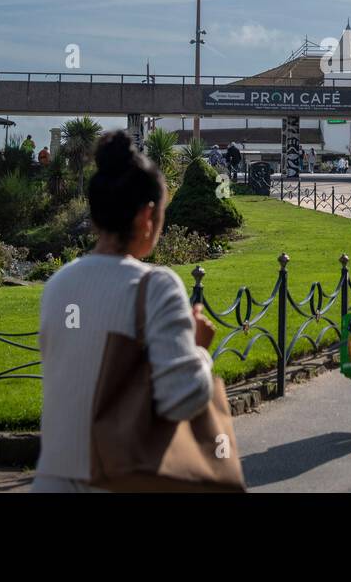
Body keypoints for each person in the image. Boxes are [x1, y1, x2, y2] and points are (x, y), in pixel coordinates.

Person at [34, 131, 215, 492]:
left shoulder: (58, 284)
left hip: (51, 477)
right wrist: (198, 350)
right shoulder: (156, 288)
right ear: (147, 215)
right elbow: (183, 397)